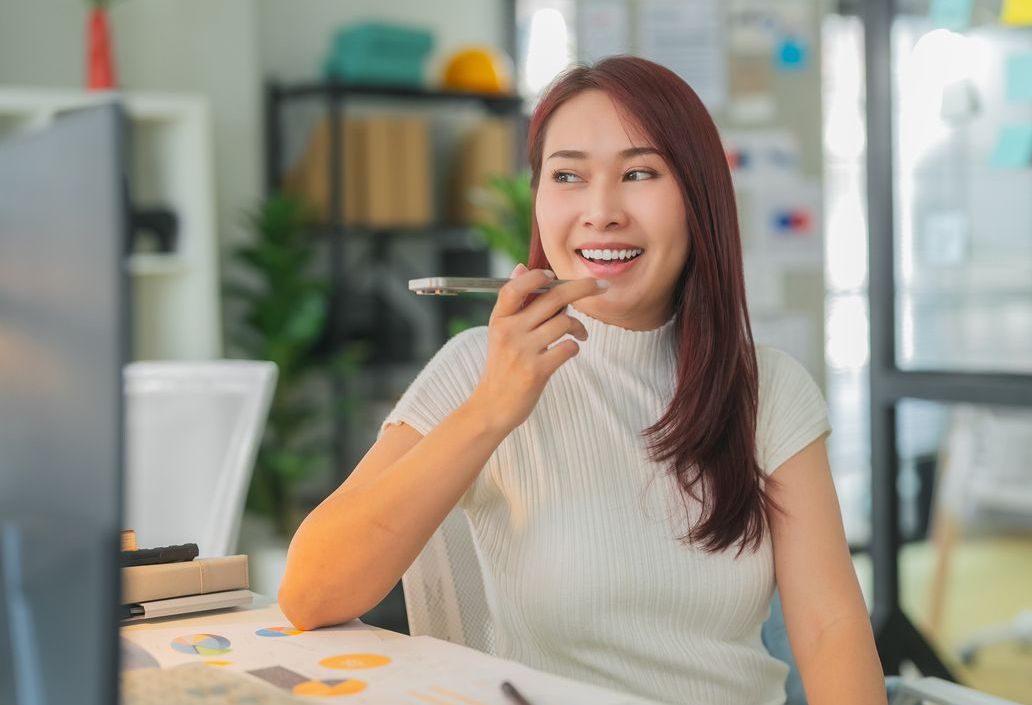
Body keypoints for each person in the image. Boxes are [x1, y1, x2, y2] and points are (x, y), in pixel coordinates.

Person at [279, 55, 885, 705]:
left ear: (698, 197)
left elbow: (830, 628)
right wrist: (492, 408)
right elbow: (311, 593)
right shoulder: (477, 369)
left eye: (639, 173)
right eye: (567, 175)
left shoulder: (768, 389)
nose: (601, 212)